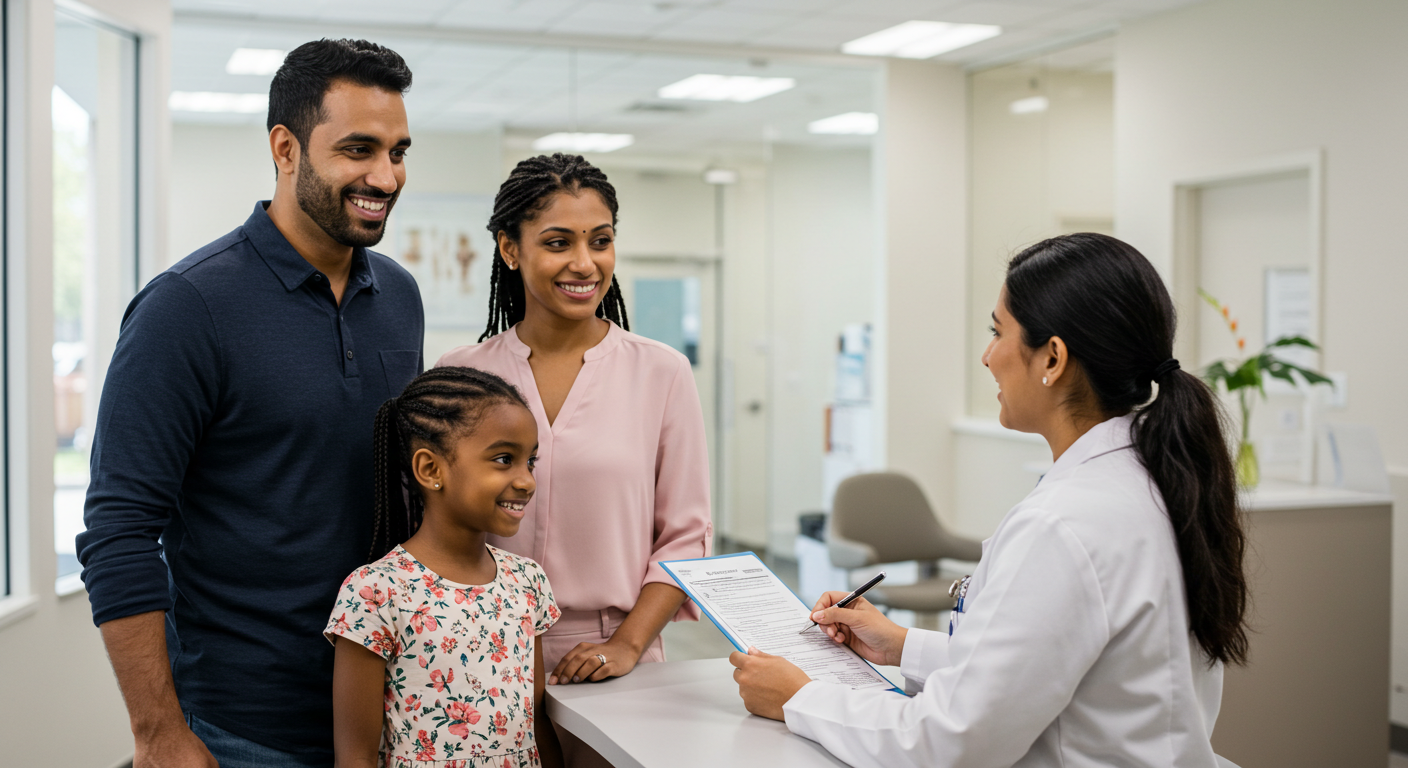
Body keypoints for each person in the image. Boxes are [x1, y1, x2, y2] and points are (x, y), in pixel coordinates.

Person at [731, 232, 1248, 767]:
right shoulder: (1151, 481)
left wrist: (799, 698)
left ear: (1053, 358)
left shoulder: (1065, 524)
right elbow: (1042, 667)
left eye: (998, 332)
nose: (987, 356)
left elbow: (949, 743)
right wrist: (901, 645)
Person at [77, 39, 422, 768]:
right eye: (358, 149)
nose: (385, 176)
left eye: (397, 152)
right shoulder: (187, 307)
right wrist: (158, 732)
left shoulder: (399, 297)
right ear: (285, 148)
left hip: (385, 713)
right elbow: (119, 531)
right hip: (240, 729)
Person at [437, 153, 712, 765]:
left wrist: (628, 645)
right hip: (480, 647)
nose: (585, 263)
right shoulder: (461, 375)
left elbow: (685, 537)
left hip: (612, 654)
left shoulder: (661, 372)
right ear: (510, 249)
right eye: (558, 242)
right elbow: (437, 525)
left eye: (601, 241)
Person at [326, 367, 563, 768]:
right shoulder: (375, 592)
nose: (527, 481)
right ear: (431, 470)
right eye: (504, 459)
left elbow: (537, 726)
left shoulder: (528, 581)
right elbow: (355, 757)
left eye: (530, 461)